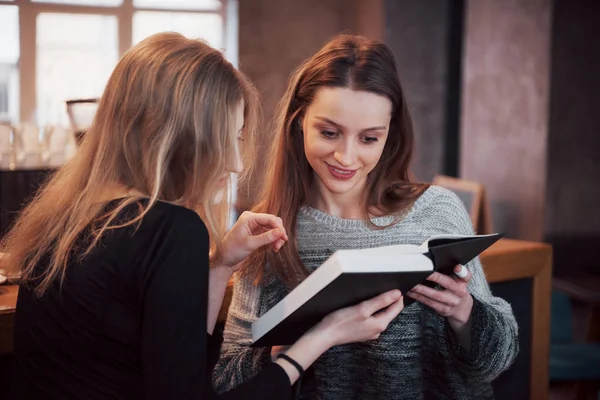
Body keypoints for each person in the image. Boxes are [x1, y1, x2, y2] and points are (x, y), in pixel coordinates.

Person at [0, 32, 406, 400]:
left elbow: (179, 366)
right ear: (174, 139)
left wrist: (221, 263)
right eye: (225, 139)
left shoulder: (67, 218)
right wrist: (323, 336)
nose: (232, 161)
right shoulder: (169, 230)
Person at [214, 34, 519, 400]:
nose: (346, 157)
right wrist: (295, 347)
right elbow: (229, 382)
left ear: (390, 135)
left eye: (369, 139)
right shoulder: (268, 230)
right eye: (329, 132)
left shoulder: (438, 209)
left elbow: (500, 359)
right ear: (299, 121)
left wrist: (464, 312)